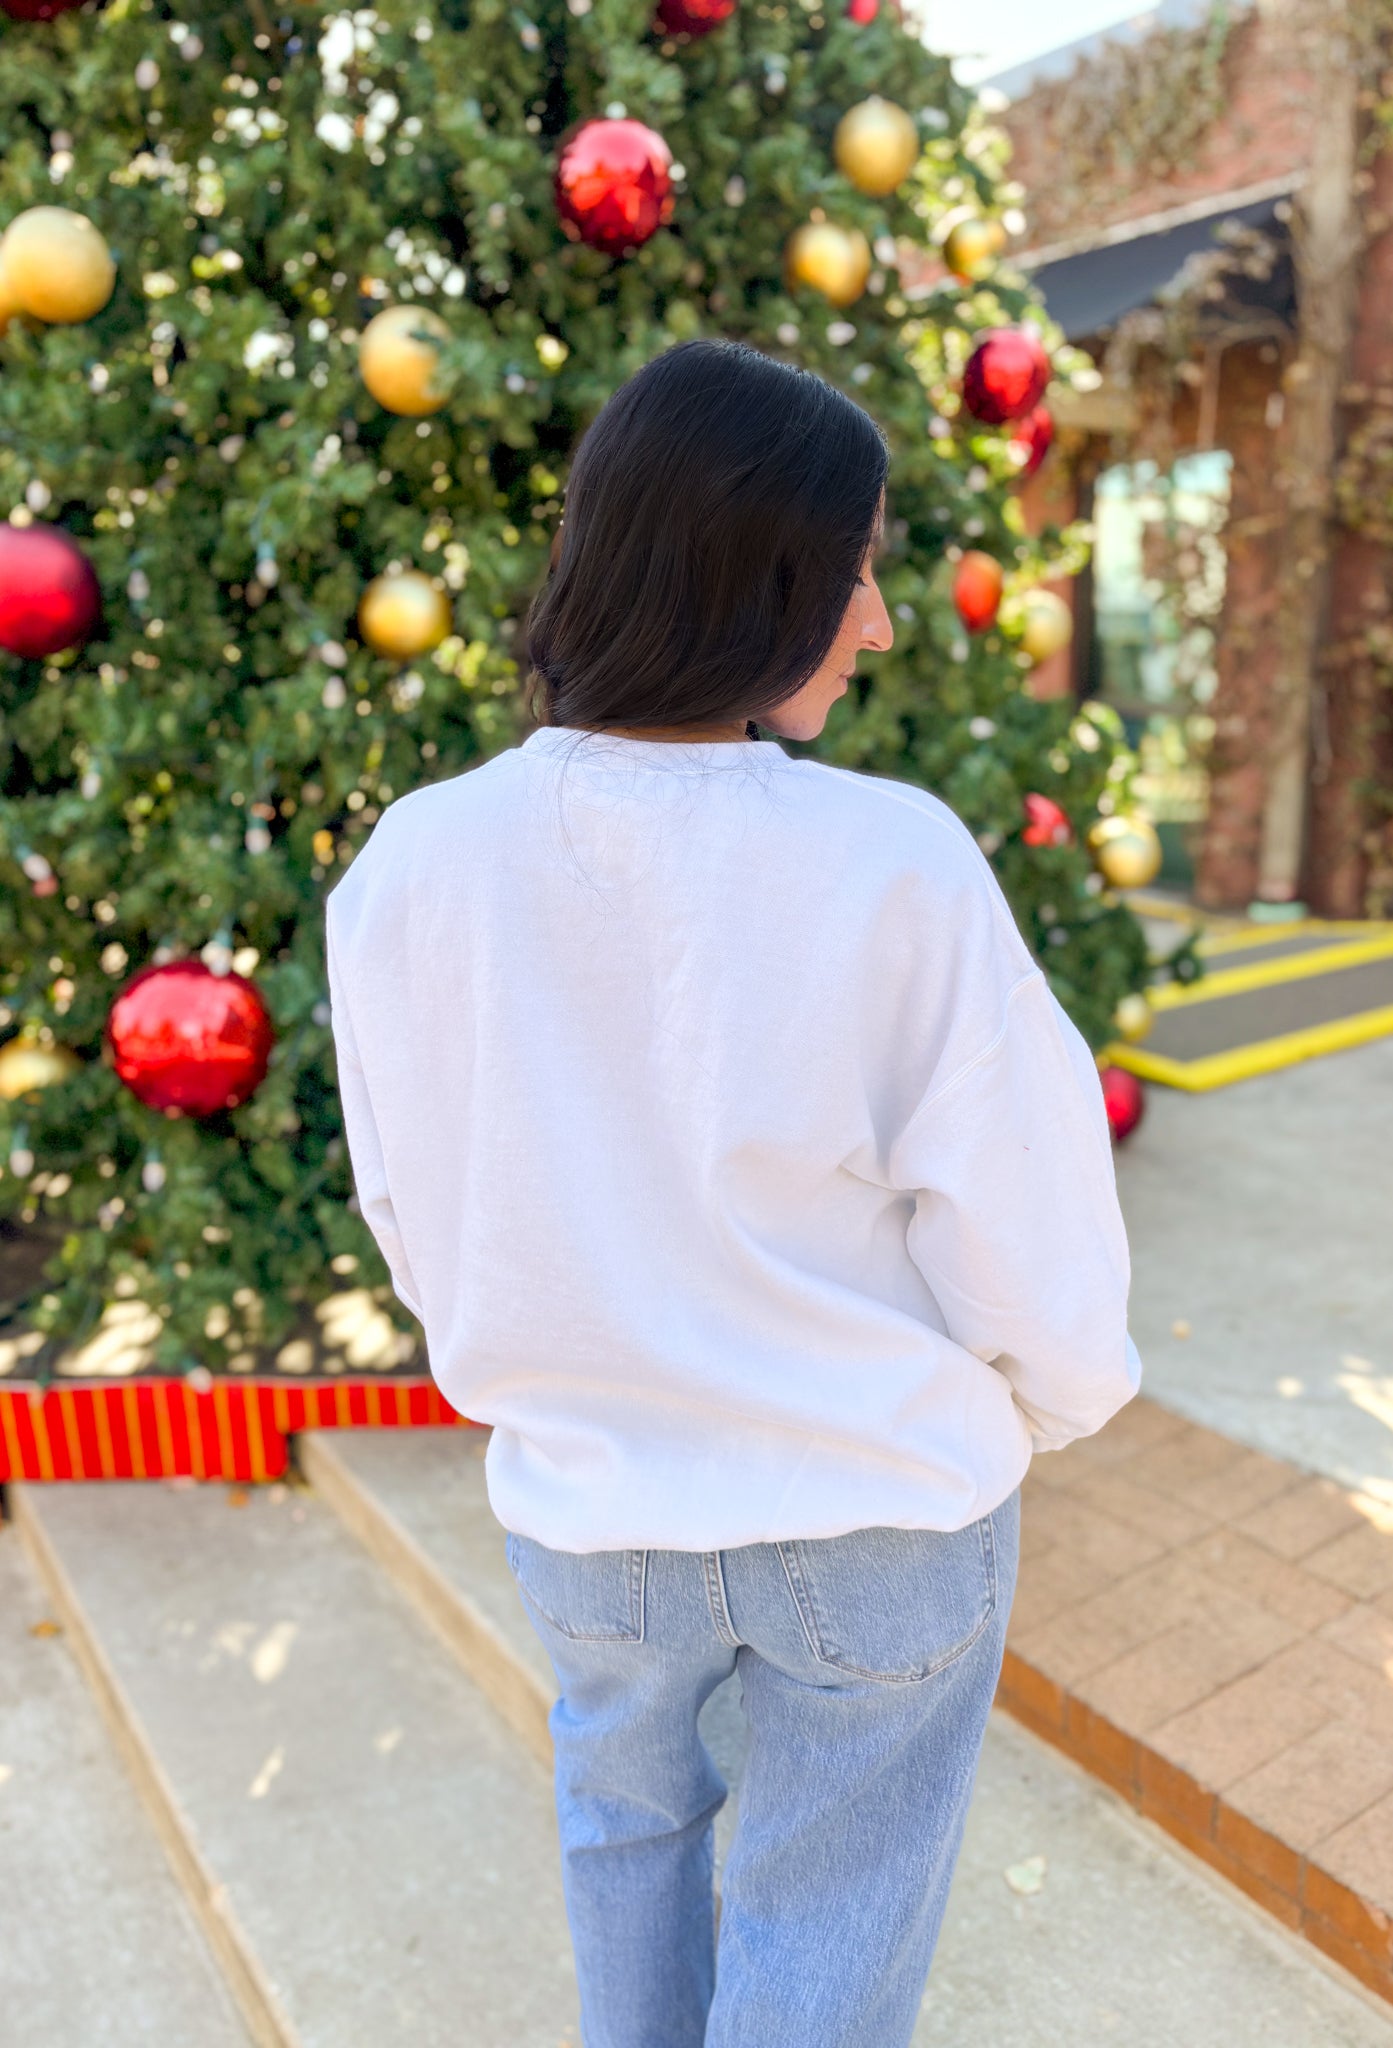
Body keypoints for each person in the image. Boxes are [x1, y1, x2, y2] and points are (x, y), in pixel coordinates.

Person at [326, 337, 1142, 2048]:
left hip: (592, 1513)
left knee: (623, 1844)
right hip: (874, 1506)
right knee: (825, 1923)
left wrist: (556, 1364)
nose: (880, 618)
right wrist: (1053, 1403)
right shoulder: (887, 856)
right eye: (856, 570)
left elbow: (416, 1206)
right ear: (759, 578)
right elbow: (1024, 1196)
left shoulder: (415, 866)